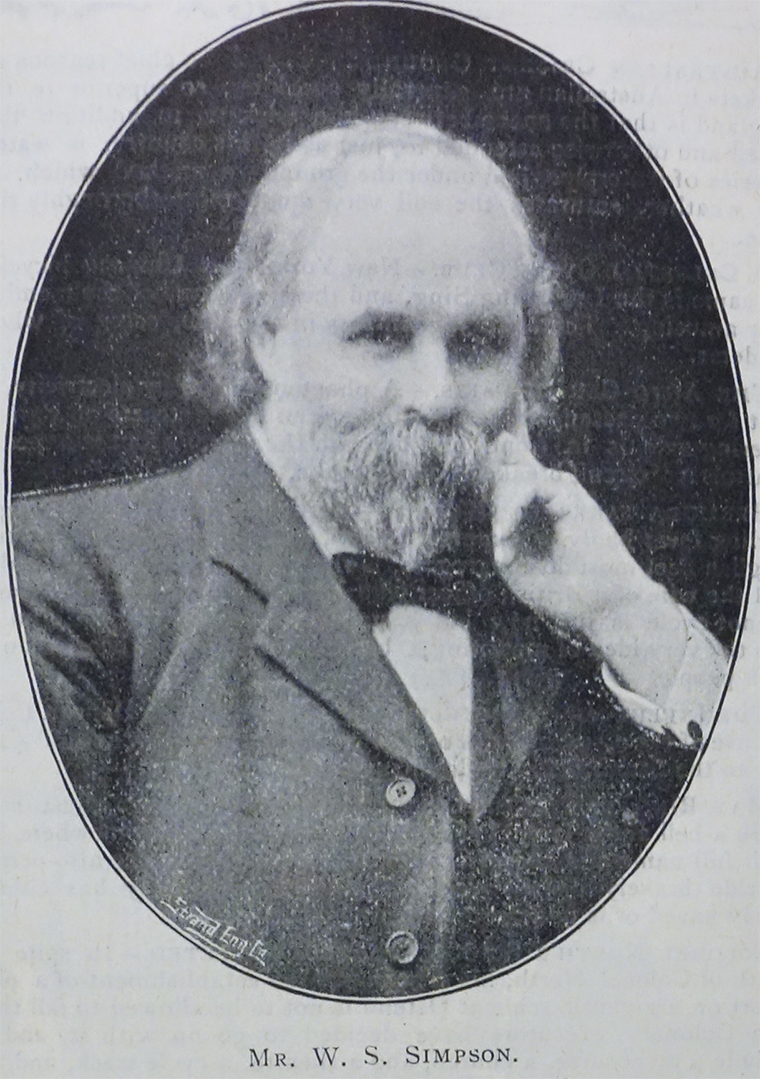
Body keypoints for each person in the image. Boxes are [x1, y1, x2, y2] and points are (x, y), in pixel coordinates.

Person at [12, 119, 727, 999]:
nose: (436, 395)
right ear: (267, 336)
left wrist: (624, 611)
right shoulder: (61, 574)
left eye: (478, 343)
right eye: (381, 335)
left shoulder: (582, 604)